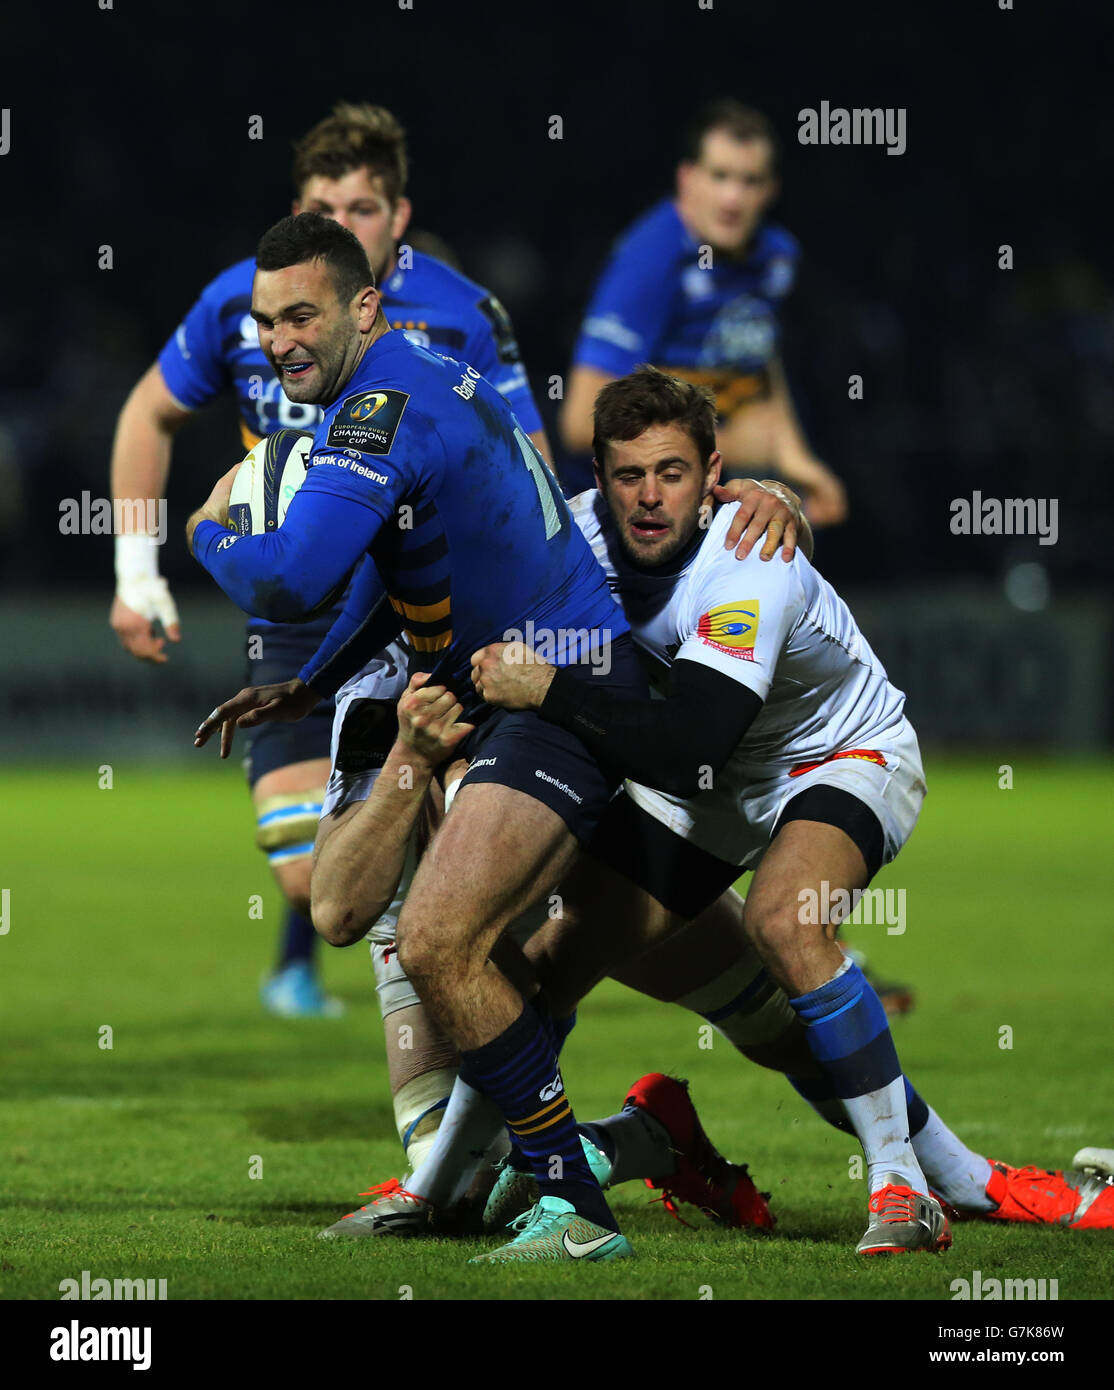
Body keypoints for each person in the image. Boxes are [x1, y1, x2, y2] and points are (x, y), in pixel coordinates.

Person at [471, 365, 1113, 1252]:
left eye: (672, 473)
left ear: (712, 475)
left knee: (786, 919)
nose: (650, 498)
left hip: (842, 755)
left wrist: (545, 688)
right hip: (716, 788)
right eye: (629, 475)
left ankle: (902, 1190)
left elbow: (688, 742)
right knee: (554, 957)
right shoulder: (577, 541)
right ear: (598, 479)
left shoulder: (749, 554)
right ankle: (473, 1173)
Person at [188, 211, 656, 1264]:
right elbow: (411, 571)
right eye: (264, 322)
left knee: (442, 940)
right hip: (543, 686)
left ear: (362, 307)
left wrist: (207, 528)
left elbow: (290, 575)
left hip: (556, 698)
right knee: (509, 954)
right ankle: (594, 1152)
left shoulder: (378, 414)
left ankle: (574, 1207)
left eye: (301, 313)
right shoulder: (430, 375)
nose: (278, 340)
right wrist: (309, 680)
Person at [109, 102, 548, 1021]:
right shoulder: (248, 299)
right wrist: (136, 575)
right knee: (323, 879)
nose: (343, 224)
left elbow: (531, 460)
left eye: (363, 207)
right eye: (323, 204)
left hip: (430, 604)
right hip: (299, 619)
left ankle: (459, 1113)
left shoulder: (464, 315)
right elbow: (148, 412)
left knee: (480, 883)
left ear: (399, 216)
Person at [559, 99, 846, 526]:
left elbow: (758, 353)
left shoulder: (775, 256)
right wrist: (730, 444)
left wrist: (794, 457)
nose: (733, 198)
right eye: (720, 176)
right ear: (687, 179)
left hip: (706, 490)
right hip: (623, 515)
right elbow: (580, 424)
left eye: (750, 180)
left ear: (771, 190)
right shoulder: (651, 261)